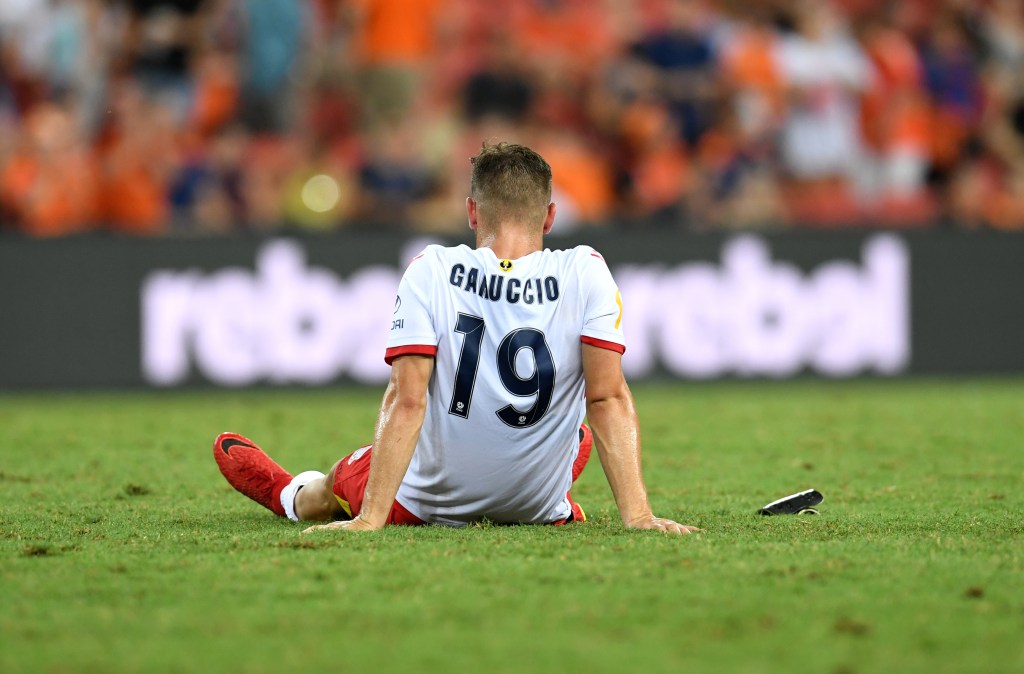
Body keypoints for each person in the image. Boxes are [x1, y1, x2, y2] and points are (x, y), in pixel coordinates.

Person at [213, 141, 699, 535]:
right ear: (550, 217)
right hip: (537, 506)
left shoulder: (432, 269)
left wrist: (370, 519)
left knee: (340, 482)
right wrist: (639, 516)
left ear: (471, 212)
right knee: (578, 427)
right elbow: (607, 397)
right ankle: (547, 469)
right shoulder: (586, 270)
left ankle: (289, 493)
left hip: (427, 504)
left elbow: (407, 400)